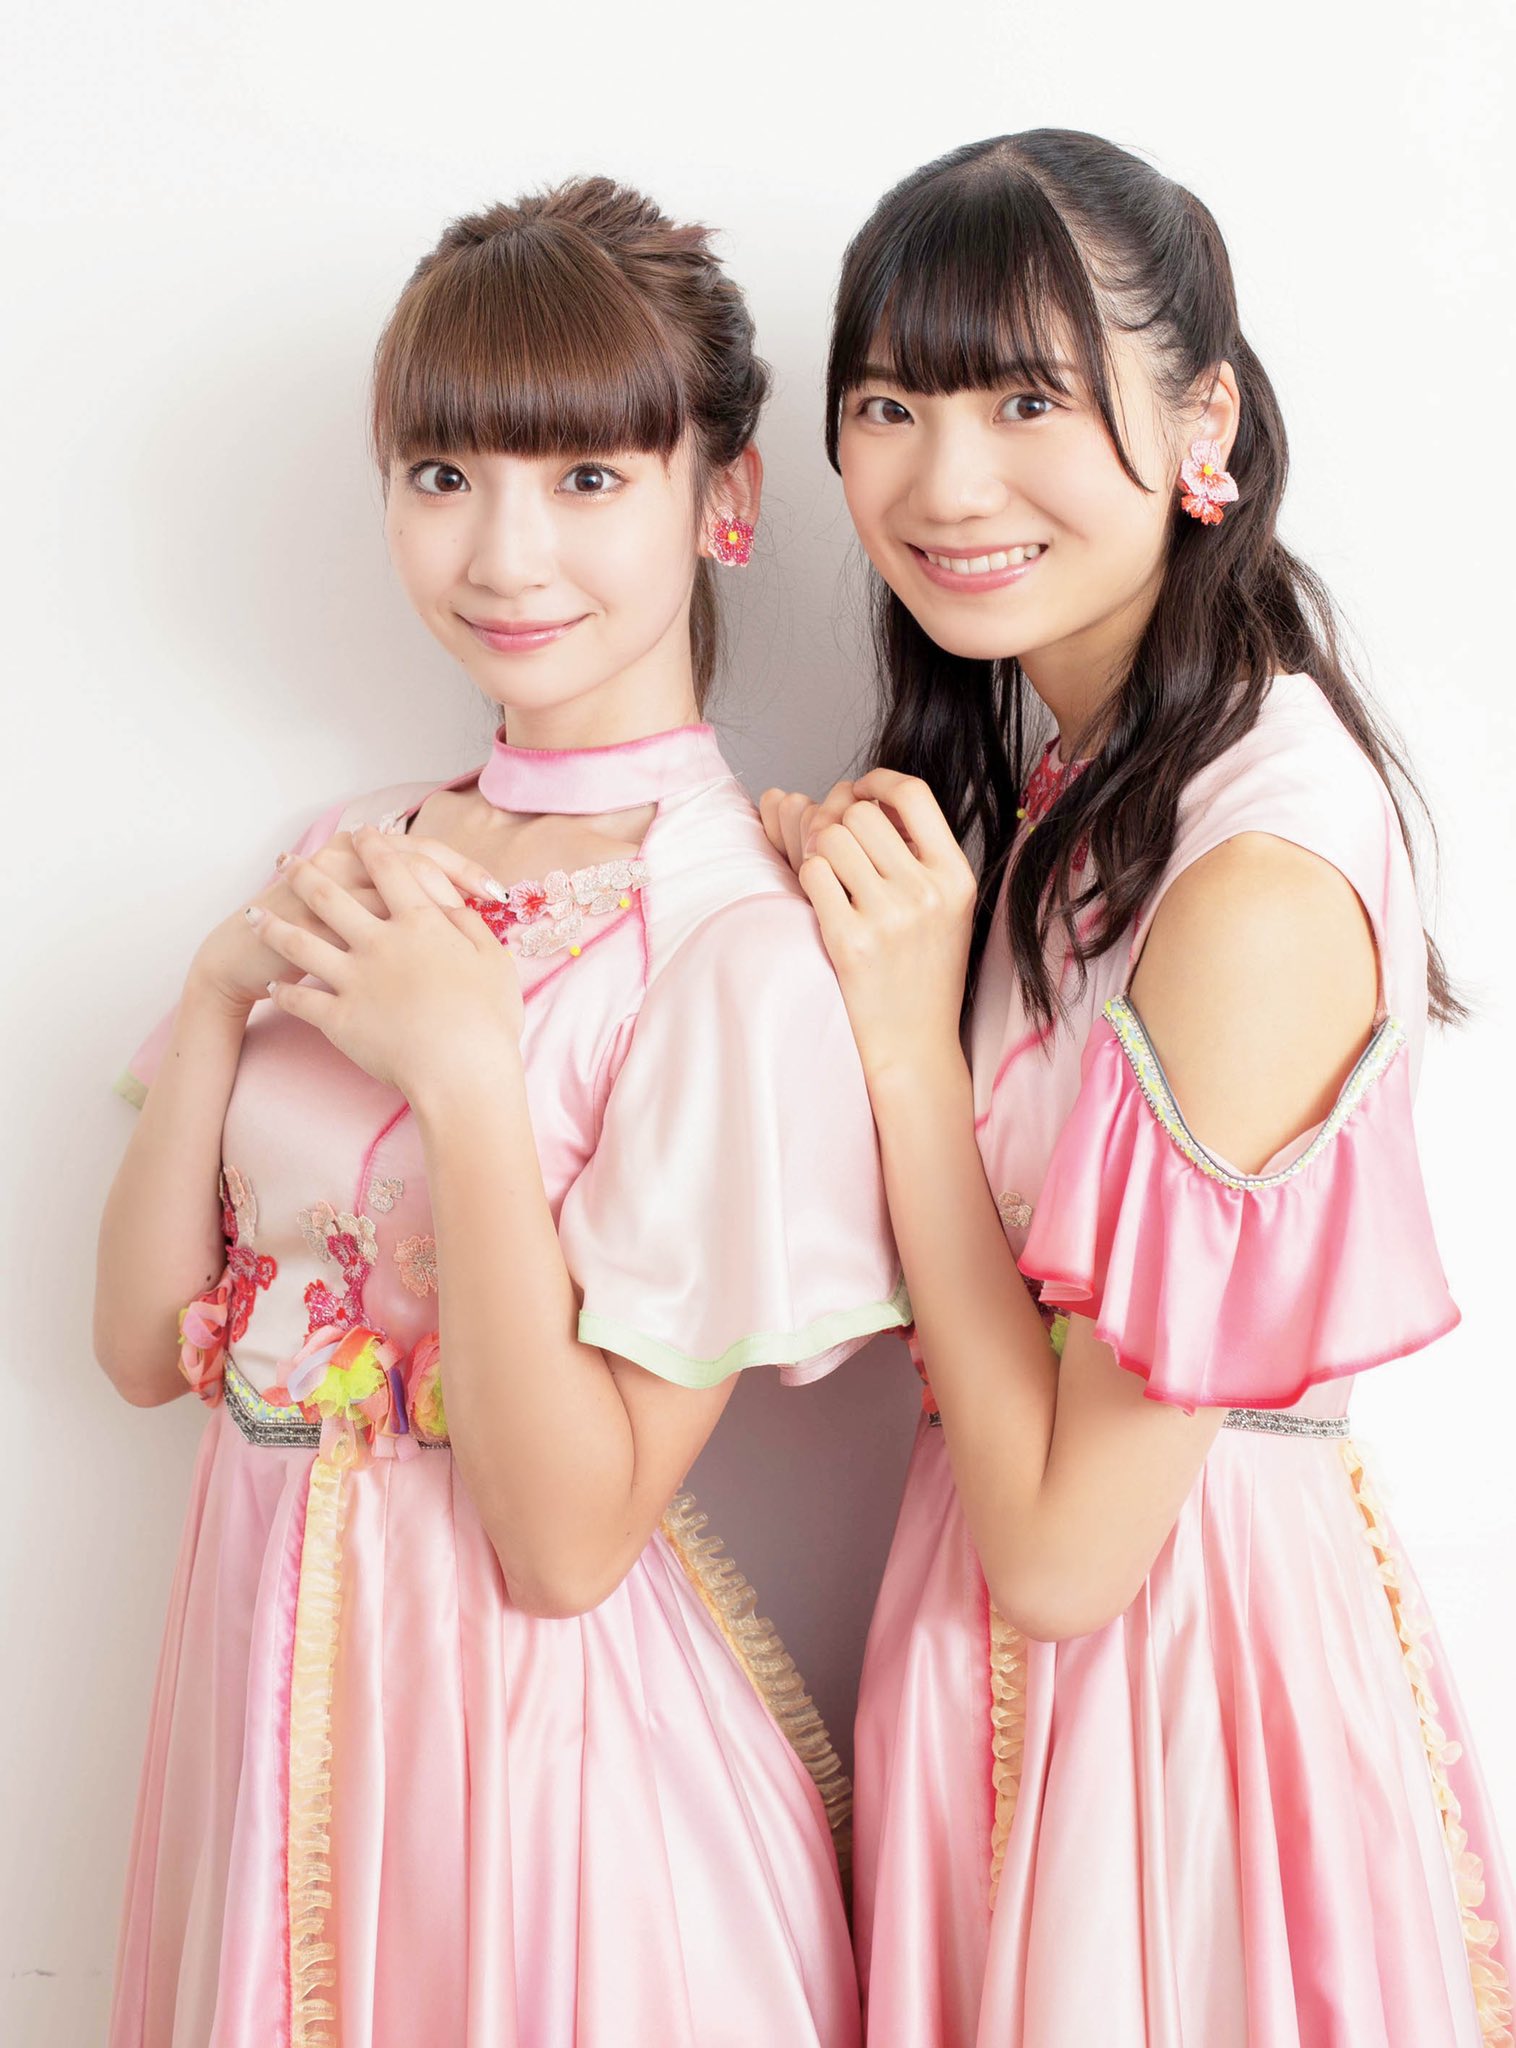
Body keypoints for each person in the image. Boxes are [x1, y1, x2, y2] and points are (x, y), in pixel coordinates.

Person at [98, 177, 907, 2048]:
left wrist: (466, 1074)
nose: (503, 551)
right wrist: (216, 994)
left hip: (556, 1810)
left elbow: (564, 1545)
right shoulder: (347, 854)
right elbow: (144, 1352)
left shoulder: (734, 943)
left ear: (724, 500)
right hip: (273, 1741)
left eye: (587, 476)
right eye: (445, 474)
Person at [762, 129, 1512, 2046]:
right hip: (1014, 1693)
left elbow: (1066, 1554)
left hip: (1176, 1726)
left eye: (1029, 398)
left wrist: (901, 1034)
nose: (948, 481)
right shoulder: (1079, 786)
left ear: (1205, 423)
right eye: (892, 404)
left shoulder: (1258, 868)